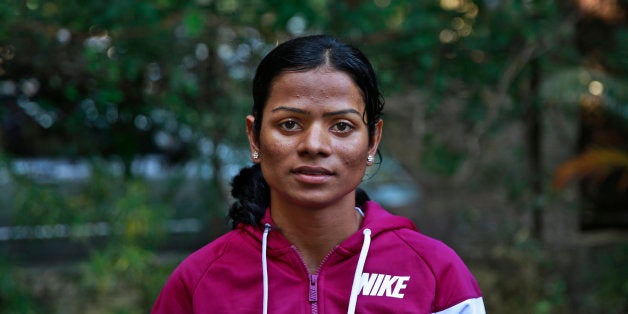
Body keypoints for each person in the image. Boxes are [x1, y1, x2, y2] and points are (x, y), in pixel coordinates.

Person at [151, 34, 485, 314]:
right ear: (255, 137)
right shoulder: (199, 282)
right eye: (290, 124)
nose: (314, 145)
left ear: (373, 140)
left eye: (342, 126)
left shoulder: (437, 274)